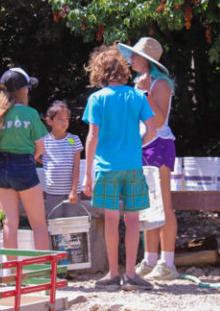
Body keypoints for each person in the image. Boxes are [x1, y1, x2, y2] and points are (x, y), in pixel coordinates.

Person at [82, 45, 157, 291]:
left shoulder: (96, 99)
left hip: (106, 167)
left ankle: (113, 274)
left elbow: (92, 137)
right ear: (123, 70)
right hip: (133, 166)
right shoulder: (137, 96)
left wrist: (87, 174)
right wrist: (138, 145)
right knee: (133, 221)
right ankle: (132, 274)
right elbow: (152, 129)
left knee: (112, 221)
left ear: (99, 71)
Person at [119, 37, 180, 281]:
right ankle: (150, 259)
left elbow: (161, 119)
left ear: (147, 59)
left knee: (164, 205)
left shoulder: (160, 84)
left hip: (160, 145)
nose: (130, 59)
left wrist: (145, 94)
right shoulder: (139, 84)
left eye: (134, 55)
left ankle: (168, 262)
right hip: (142, 146)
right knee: (147, 206)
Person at [0, 68, 50, 259]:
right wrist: (32, 156)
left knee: (9, 223)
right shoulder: (30, 113)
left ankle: (11, 274)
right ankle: (42, 272)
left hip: (1, 168)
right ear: (23, 90)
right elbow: (40, 148)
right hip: (24, 166)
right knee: (38, 224)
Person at [35, 101, 83, 219]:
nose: (64, 122)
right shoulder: (44, 140)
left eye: (66, 119)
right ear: (49, 121)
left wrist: (73, 191)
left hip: (72, 193)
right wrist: (46, 162)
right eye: (60, 119)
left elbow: (76, 166)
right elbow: (35, 157)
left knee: (71, 225)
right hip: (52, 193)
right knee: (55, 225)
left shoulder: (72, 140)